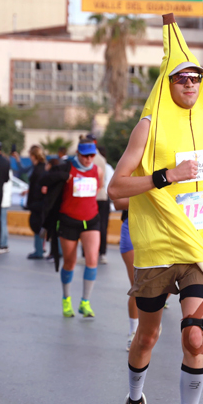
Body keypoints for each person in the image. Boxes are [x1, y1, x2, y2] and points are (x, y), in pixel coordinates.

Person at [107, 13, 203, 404]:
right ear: (167, 83)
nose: (190, 84)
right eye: (182, 78)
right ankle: (135, 398)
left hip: (197, 248)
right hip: (156, 248)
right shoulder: (148, 128)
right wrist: (164, 176)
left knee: (194, 336)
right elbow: (116, 188)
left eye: (196, 77)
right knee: (148, 336)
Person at [43, 138, 104, 318]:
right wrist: (63, 177)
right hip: (69, 220)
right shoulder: (66, 167)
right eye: (85, 156)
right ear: (78, 153)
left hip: (91, 219)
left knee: (92, 260)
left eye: (92, 155)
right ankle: (66, 298)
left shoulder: (97, 170)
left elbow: (98, 189)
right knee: (70, 261)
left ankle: (85, 301)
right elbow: (45, 180)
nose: (88, 159)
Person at [113, 198, 139, 351]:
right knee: (138, 286)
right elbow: (118, 202)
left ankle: (152, 318)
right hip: (133, 226)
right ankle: (133, 331)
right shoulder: (131, 173)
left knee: (167, 286)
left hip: (160, 228)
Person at [87, 135, 111, 265]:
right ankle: (102, 253)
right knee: (102, 226)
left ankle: (88, 253)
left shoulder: (88, 158)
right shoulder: (102, 158)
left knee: (88, 226)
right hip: (102, 196)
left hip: (92, 197)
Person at [25, 145, 48, 259]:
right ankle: (40, 248)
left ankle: (39, 250)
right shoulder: (43, 167)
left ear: (34, 156)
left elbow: (37, 187)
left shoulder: (39, 170)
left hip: (37, 202)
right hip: (39, 202)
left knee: (37, 225)